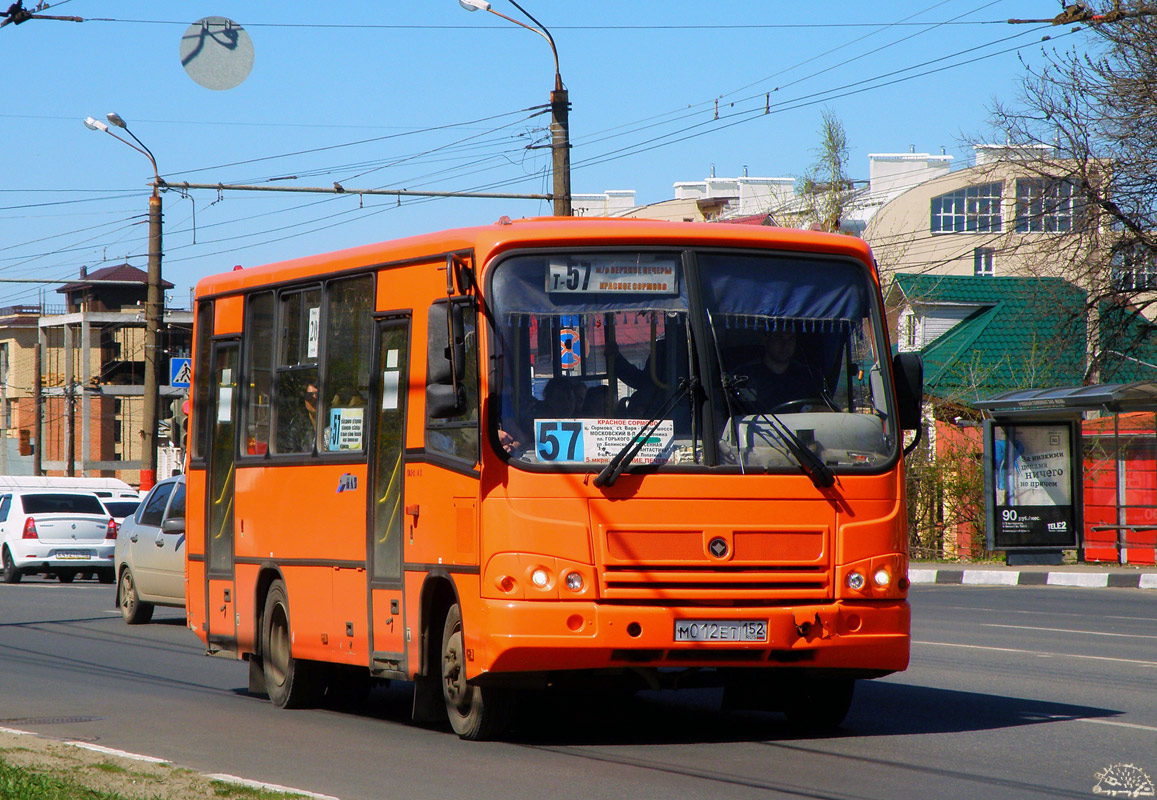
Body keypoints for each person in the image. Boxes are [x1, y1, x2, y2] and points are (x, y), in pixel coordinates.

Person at [732, 329, 817, 412]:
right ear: (765, 339)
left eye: (791, 339)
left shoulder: (809, 376)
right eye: (779, 337)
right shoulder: (743, 377)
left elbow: (822, 409)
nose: (785, 345)